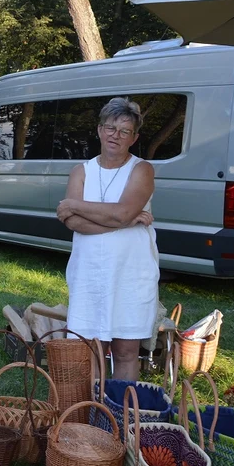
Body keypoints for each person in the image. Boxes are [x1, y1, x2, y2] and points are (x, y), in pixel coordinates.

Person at [56, 97, 156, 381]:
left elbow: (121, 212)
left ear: (134, 138)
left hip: (129, 272)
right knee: (90, 350)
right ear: (99, 130)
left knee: (125, 350)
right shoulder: (82, 171)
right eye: (111, 128)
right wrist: (124, 221)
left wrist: (75, 205)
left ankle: (121, 414)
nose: (116, 135)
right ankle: (93, 416)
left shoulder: (141, 169)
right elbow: (73, 223)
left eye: (124, 131)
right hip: (90, 273)